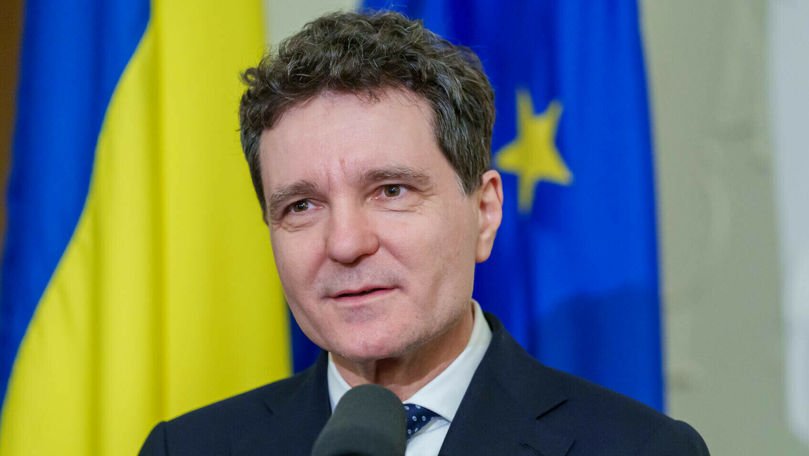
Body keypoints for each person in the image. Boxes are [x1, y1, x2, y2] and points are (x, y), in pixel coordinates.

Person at [140, 11, 709, 456]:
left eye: (391, 191)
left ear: (484, 211)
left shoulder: (639, 450)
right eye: (302, 205)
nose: (345, 244)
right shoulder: (187, 450)